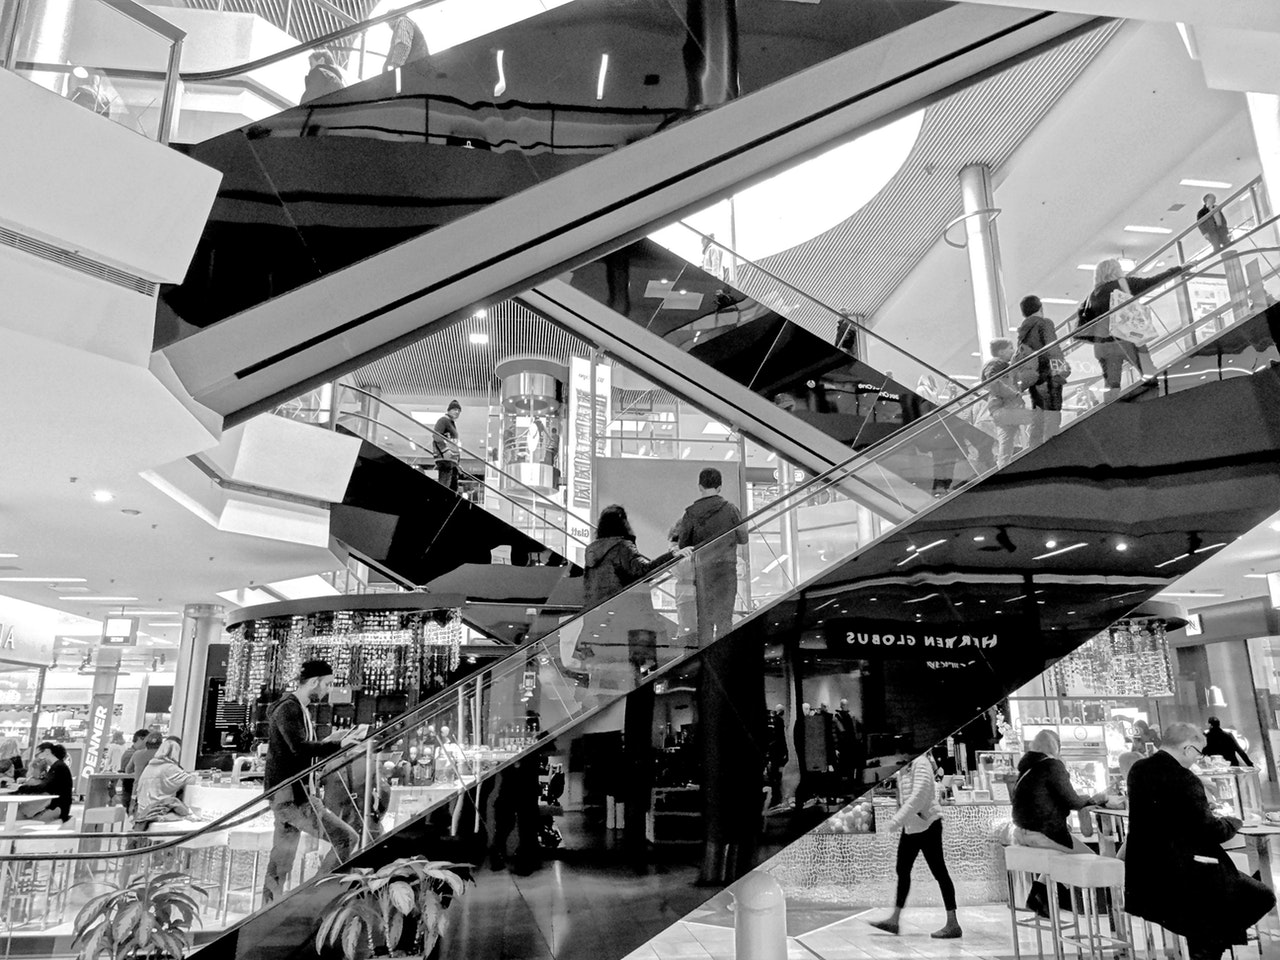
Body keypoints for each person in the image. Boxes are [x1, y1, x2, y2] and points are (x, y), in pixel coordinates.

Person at [1125, 722, 1274, 960]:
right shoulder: (1184, 778)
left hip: (1145, 875)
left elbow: (1172, 813)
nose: (1197, 759)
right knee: (1260, 895)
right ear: (1187, 748)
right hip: (1185, 875)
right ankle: (1209, 947)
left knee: (1213, 915)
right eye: (1198, 752)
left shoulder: (1138, 769)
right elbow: (1210, 831)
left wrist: (1201, 806)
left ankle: (1207, 943)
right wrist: (1234, 821)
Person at [263, 660, 361, 904]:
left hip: (290, 794)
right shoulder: (289, 708)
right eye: (327, 684)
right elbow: (298, 748)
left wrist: (332, 741)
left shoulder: (297, 708)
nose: (328, 690)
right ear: (314, 681)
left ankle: (268, 908)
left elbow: (298, 750)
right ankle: (312, 897)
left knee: (282, 858)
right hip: (293, 795)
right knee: (346, 838)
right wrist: (337, 745)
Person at [867, 752, 962, 939]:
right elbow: (904, 795)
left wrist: (896, 820)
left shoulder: (921, 763)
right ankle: (894, 919)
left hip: (928, 824)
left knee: (939, 871)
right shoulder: (906, 766)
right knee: (902, 870)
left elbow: (919, 795)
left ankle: (953, 923)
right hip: (912, 826)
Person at [581, 504, 679, 684]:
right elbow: (643, 570)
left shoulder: (591, 551)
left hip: (598, 622)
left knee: (604, 673)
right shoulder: (622, 547)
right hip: (624, 621)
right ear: (623, 523)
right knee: (631, 673)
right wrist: (672, 555)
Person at [1077, 259, 1184, 391]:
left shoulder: (1091, 297)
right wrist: (1178, 269)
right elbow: (1151, 282)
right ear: (1115, 270)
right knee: (1149, 375)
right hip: (1126, 338)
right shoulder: (1122, 283)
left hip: (1102, 346)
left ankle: (1112, 406)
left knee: (1112, 385)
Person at [671, 468, 748, 645]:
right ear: (720, 487)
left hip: (704, 570)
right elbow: (743, 538)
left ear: (700, 486)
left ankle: (706, 663)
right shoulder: (731, 509)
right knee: (724, 620)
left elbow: (683, 545)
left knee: (704, 622)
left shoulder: (690, 513)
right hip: (726, 569)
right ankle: (724, 662)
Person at [1016, 295, 1068, 448]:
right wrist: (1060, 372)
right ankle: (1052, 454)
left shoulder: (1022, 332)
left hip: (1034, 379)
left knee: (1039, 417)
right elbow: (1052, 348)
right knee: (1052, 417)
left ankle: (1034, 452)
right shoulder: (1044, 323)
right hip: (1048, 376)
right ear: (1040, 308)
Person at [982, 337, 1037, 467]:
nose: (1012, 351)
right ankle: (1037, 447)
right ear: (1001, 352)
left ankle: (1003, 468)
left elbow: (1018, 380)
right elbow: (993, 383)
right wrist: (1013, 394)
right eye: (1010, 348)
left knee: (1006, 445)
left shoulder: (1005, 366)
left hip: (1002, 411)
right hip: (1004, 409)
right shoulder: (995, 364)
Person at [133, 736, 199, 830]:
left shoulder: (150, 766)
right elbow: (191, 781)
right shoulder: (169, 768)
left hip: (143, 812)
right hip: (157, 812)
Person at [13, 742, 73, 822]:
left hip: (57, 808)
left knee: (29, 821)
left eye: (37, 755)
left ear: (47, 752)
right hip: (57, 807)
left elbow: (45, 787)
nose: (37, 758)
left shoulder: (58, 767)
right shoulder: (58, 767)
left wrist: (21, 788)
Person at [433, 400, 462, 492]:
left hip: (451, 460)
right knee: (445, 484)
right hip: (445, 459)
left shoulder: (452, 423)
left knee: (453, 487)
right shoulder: (443, 420)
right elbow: (436, 435)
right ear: (448, 410)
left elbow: (454, 444)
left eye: (458, 410)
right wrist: (444, 450)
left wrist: (457, 462)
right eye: (454, 409)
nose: (457, 412)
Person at [119, 728, 148, 811]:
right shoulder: (130, 754)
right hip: (132, 794)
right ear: (140, 739)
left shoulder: (135, 753)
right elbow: (128, 775)